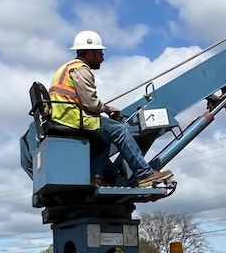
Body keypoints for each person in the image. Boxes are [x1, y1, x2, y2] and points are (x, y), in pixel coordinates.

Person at [49, 30, 172, 188]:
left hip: (65, 116)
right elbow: (91, 103)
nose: (103, 58)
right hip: (73, 118)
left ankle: (96, 177)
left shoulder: (67, 68)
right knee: (119, 129)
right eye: (100, 53)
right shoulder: (81, 70)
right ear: (91, 53)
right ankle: (145, 174)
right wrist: (107, 109)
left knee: (105, 135)